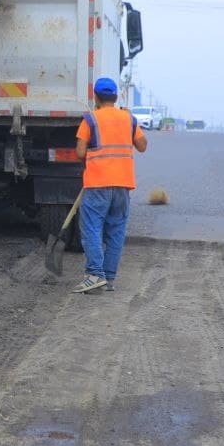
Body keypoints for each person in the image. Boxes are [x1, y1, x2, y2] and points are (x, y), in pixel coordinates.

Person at [71, 77, 148, 294]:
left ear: (95, 97)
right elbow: (142, 146)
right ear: (116, 97)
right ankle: (109, 279)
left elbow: (79, 152)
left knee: (92, 229)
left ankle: (95, 275)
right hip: (123, 185)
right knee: (116, 231)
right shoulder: (128, 118)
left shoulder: (91, 120)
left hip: (97, 184)